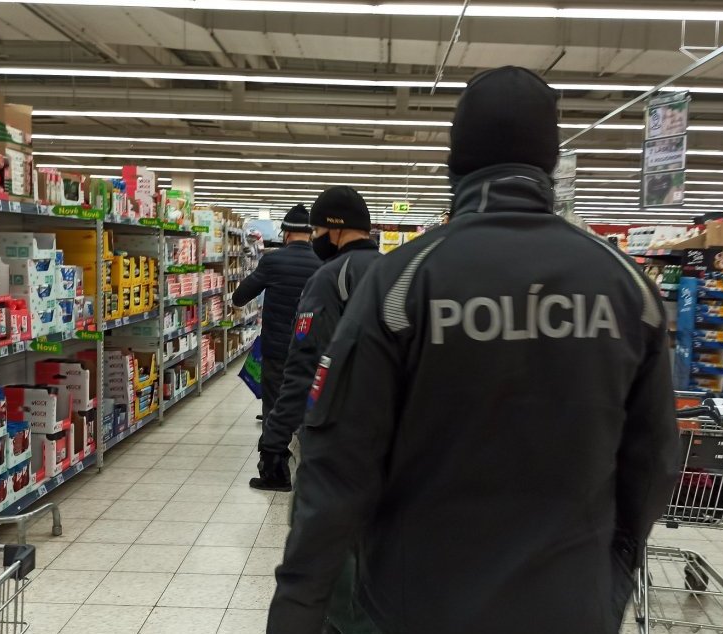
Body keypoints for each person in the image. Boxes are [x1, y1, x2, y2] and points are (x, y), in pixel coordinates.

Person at [267, 66, 680, 634]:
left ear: (454, 161)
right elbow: (653, 460)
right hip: (569, 607)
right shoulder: (628, 288)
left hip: (417, 607)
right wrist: (612, 579)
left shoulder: (402, 283)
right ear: (550, 162)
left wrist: (296, 609)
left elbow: (336, 464)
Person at [249, 186, 380, 492]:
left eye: (318, 230)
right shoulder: (397, 270)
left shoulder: (329, 277)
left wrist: (274, 442)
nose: (315, 237)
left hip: (337, 426)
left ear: (336, 229)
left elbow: (304, 367)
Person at [232, 205, 321, 421]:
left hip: (276, 351)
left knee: (273, 407)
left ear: (286, 233)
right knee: (304, 406)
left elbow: (239, 297)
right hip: (309, 351)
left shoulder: (272, 261)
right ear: (310, 234)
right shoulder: (323, 264)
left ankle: (273, 441)